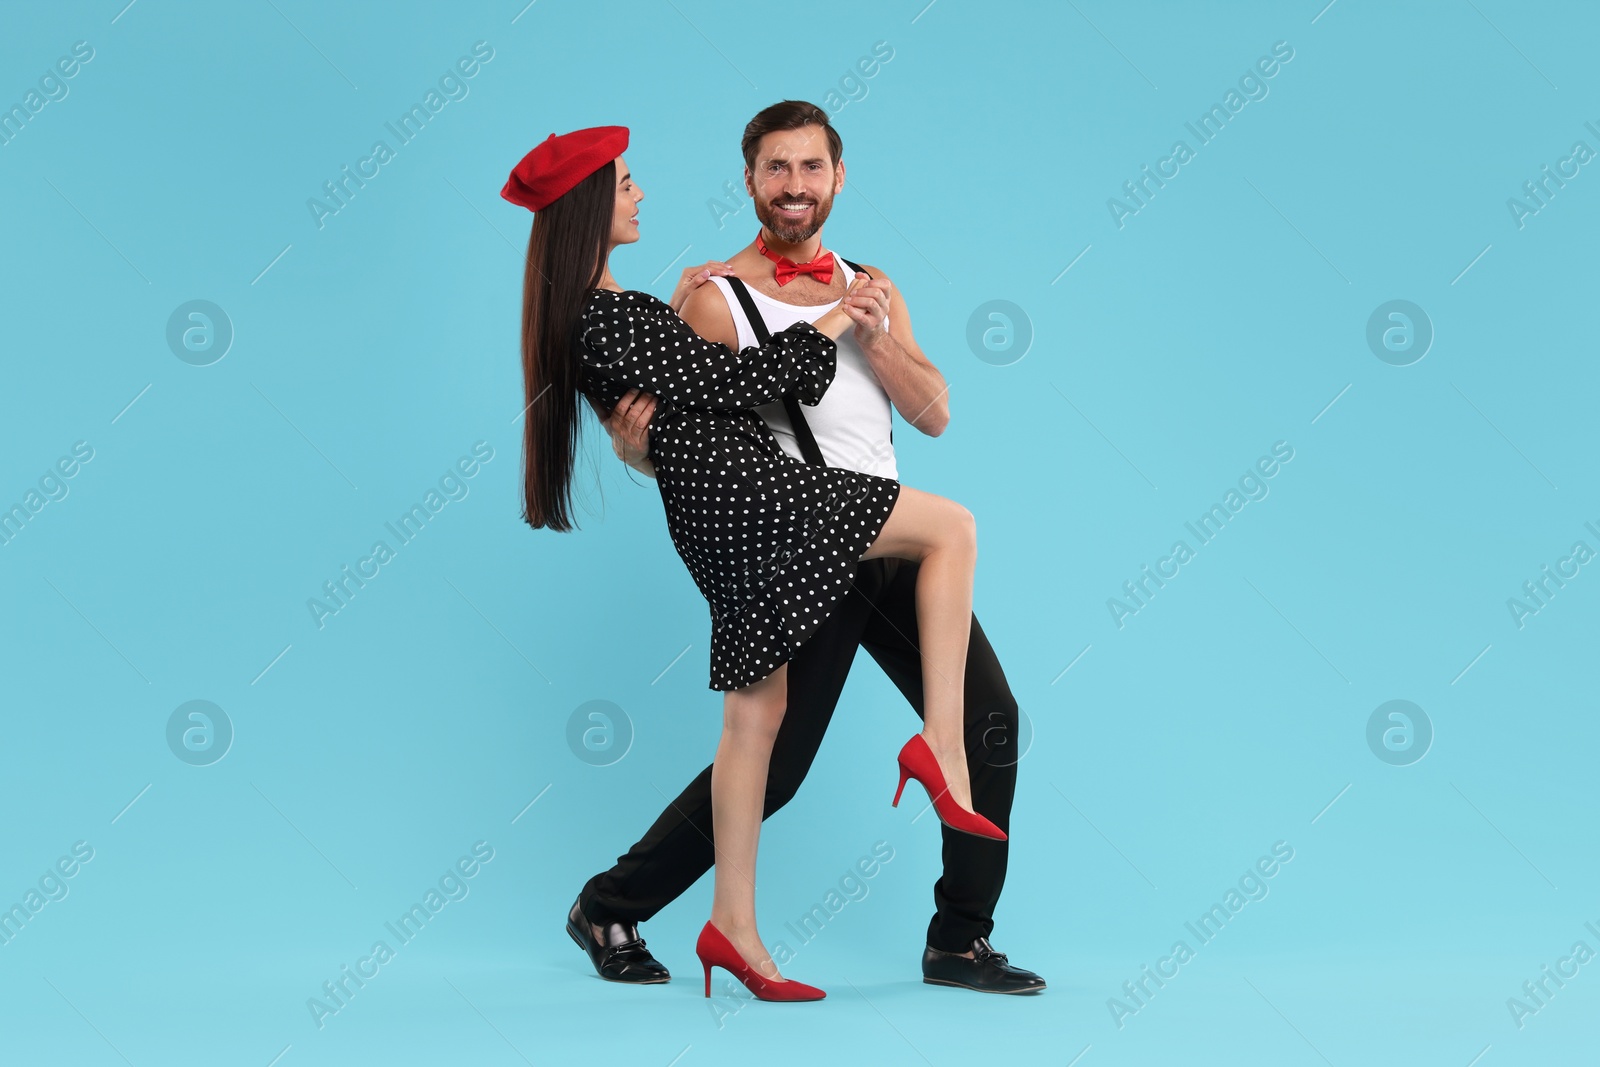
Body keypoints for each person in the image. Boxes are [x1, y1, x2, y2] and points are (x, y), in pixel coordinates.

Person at [503, 123, 1005, 1003]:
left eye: (813, 164)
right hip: (798, 531)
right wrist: (642, 448)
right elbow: (691, 417)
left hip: (886, 534)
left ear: (839, 176)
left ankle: (959, 939)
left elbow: (935, 414)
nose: (797, 180)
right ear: (752, 180)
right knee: (775, 761)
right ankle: (616, 900)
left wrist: (870, 328)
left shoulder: (873, 285)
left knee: (990, 720)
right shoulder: (712, 296)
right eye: (779, 166)